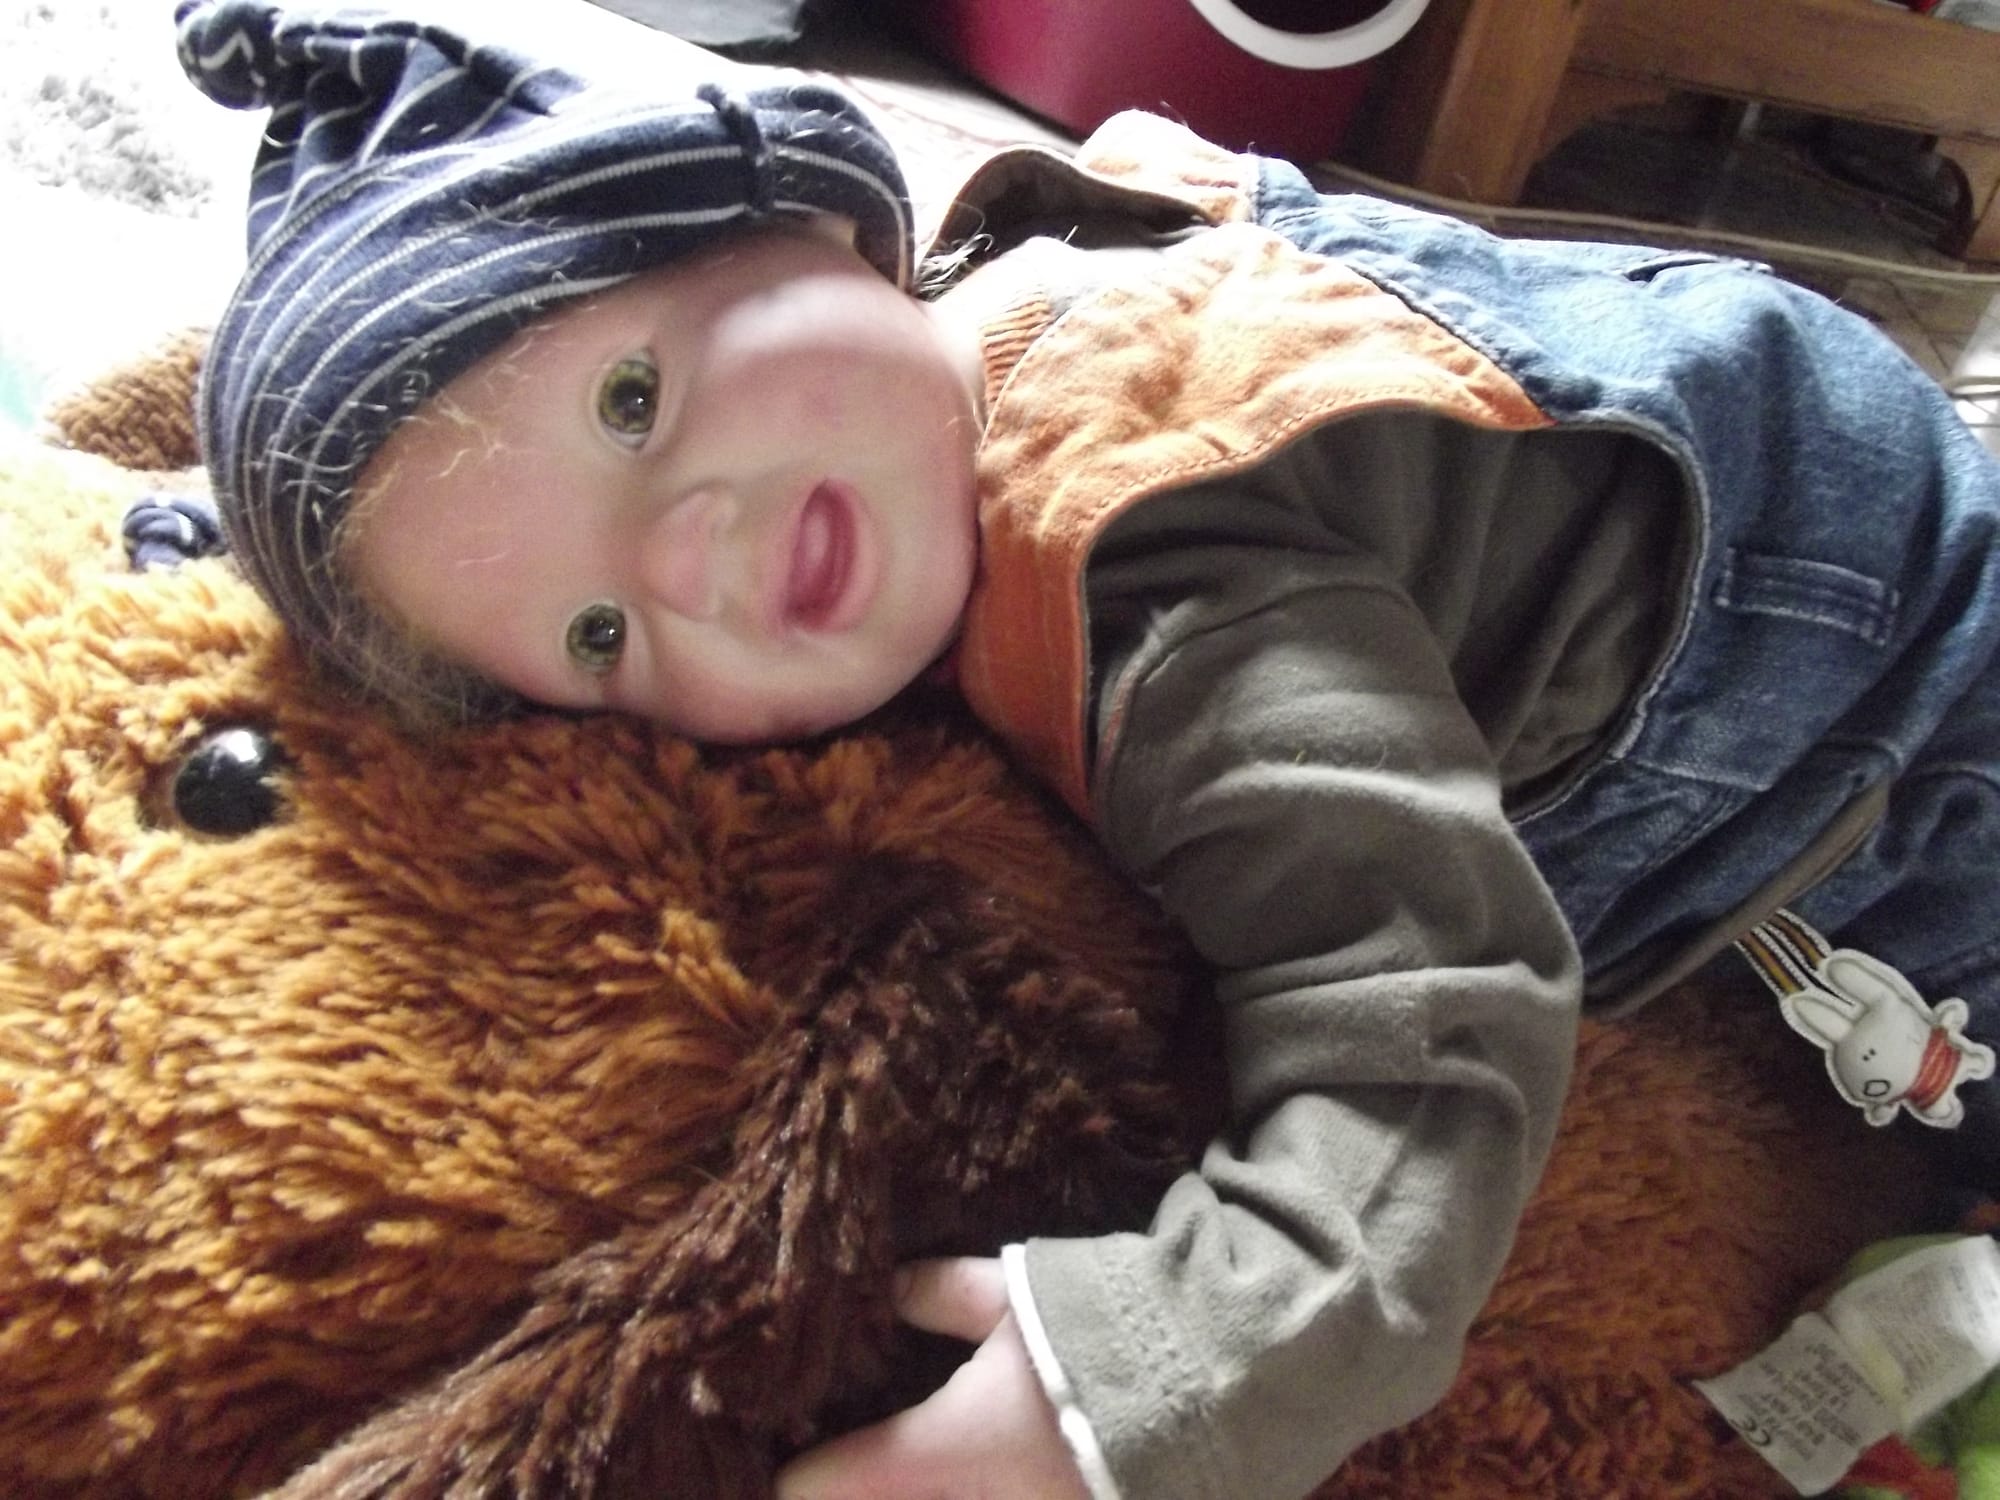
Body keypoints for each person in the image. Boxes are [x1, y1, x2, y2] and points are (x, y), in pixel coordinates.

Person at [175, 2, 2000, 1497]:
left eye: (635, 404)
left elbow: (1440, 1007)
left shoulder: (1167, 594)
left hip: (1906, 703)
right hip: (1748, 404)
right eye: (596, 633)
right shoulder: (996, 277)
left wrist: (1163, 1379)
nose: (692, 559)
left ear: (821, 219)